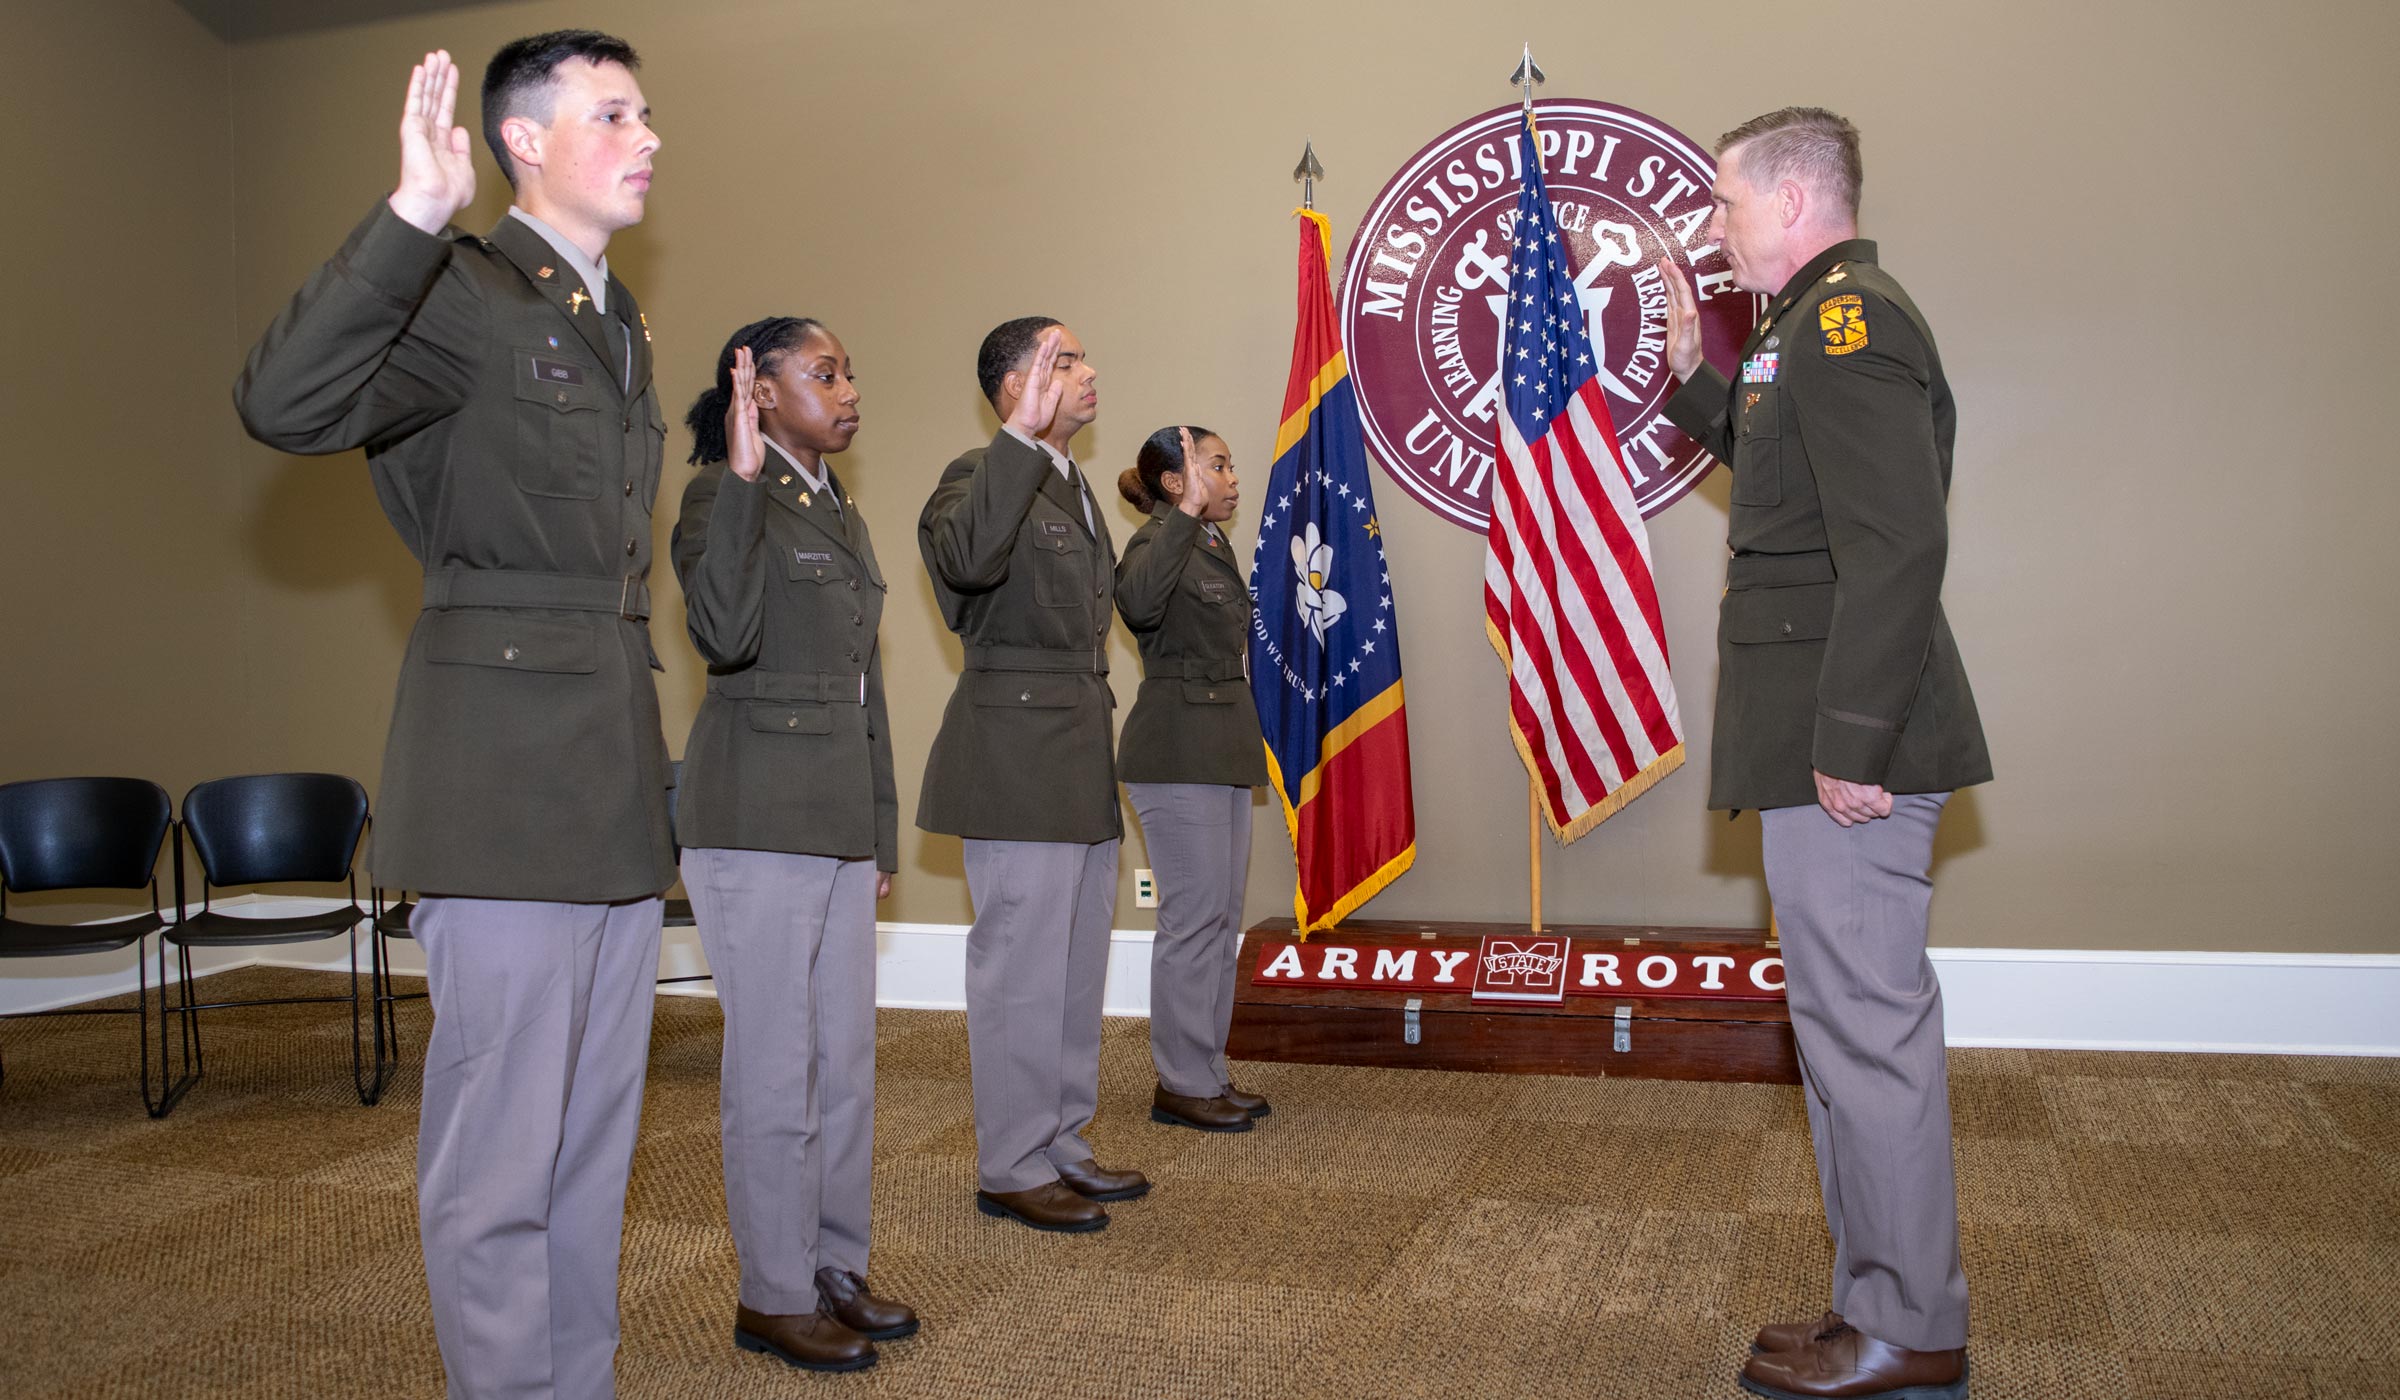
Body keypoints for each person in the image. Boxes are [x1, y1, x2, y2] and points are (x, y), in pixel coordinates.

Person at [233, 33, 674, 1400]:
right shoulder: (468, 291)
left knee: (594, 1148)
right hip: (497, 790)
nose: (649, 135)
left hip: (606, 784)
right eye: (613, 113)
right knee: (498, 1161)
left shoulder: (615, 324)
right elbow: (282, 402)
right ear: (524, 141)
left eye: (648, 112)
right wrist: (412, 217)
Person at [1658, 107, 1991, 1400]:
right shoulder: (1798, 330)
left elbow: (1897, 545)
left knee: (1869, 1033)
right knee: (1838, 1032)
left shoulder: (1852, 325)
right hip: (1812, 727)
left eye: (1730, 202)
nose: (1717, 225)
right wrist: (1698, 372)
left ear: (1797, 203)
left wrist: (1853, 744)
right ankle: (1873, 1305)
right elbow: (1780, 474)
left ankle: (1912, 1324)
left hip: (1848, 740)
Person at [672, 318, 914, 1372]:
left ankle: (833, 1266)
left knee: (844, 1064)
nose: (848, 389)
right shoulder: (717, 496)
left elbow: (864, 687)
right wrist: (733, 478)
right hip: (756, 815)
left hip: (832, 822)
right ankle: (772, 1291)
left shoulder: (837, 506)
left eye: (849, 371)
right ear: (758, 392)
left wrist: (877, 825)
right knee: (774, 1068)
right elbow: (722, 631)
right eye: (824, 373)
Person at [916, 318, 1144, 1232]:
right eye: (1065, 361)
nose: (1088, 373)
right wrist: (1016, 442)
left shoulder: (1075, 486)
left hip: (1079, 751)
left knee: (1075, 963)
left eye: (1085, 356)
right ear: (1016, 386)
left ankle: (1058, 1141)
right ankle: (1010, 1164)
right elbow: (968, 561)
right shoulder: (976, 478)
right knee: (1020, 969)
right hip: (1014, 758)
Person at [1112, 425, 1271, 1133]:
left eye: (1231, 465)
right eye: (1215, 465)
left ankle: (1206, 1071)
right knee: (1191, 922)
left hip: (1220, 747)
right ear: (1175, 482)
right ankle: (1179, 1082)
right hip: (1176, 751)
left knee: (1219, 921)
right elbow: (1140, 605)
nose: (1231, 477)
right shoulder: (1157, 541)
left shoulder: (1210, 543)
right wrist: (1177, 518)